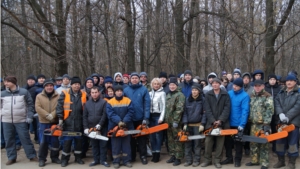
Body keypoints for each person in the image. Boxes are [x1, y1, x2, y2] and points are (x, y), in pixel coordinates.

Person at [1, 76, 38, 165]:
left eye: (7, 82)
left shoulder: (24, 92)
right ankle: (11, 157)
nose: (5, 83)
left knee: (25, 138)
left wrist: (29, 116)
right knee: (9, 140)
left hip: (21, 120)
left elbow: (30, 105)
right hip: (6, 121)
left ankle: (32, 155)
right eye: (5, 82)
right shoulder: (2, 94)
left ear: (13, 82)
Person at [56, 76, 87, 167]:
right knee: (67, 142)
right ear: (71, 85)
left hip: (79, 122)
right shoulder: (65, 93)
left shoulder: (83, 94)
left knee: (79, 142)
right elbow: (59, 107)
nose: (76, 86)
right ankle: (65, 159)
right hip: (67, 122)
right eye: (75, 84)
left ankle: (78, 158)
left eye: (78, 84)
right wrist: (61, 119)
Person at [201, 78, 231, 168]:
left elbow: (227, 109)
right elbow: (207, 109)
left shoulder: (225, 95)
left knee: (220, 143)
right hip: (211, 123)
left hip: (222, 123)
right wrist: (213, 121)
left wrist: (220, 120)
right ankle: (207, 160)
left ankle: (217, 160)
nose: (215, 85)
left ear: (220, 84)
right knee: (208, 142)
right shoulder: (208, 95)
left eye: (217, 83)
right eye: (213, 83)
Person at [221, 78, 250, 167]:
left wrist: (242, 124)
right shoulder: (229, 93)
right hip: (228, 123)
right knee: (228, 142)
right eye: (234, 85)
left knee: (238, 143)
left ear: (241, 87)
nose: (235, 87)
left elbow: (245, 110)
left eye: (237, 86)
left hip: (238, 123)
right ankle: (229, 158)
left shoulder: (245, 96)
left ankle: (238, 159)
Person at [273, 75, 300, 169]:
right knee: (280, 142)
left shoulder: (298, 93)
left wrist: (288, 117)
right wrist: (280, 113)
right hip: (281, 122)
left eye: (291, 81)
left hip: (294, 122)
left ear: (295, 82)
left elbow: (297, 107)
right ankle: (281, 161)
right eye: (288, 81)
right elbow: (276, 103)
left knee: (292, 143)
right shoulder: (281, 92)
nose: (289, 82)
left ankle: (292, 162)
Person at [245, 79, 274, 169]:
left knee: (263, 144)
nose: (257, 88)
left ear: (263, 86)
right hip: (253, 124)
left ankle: (264, 163)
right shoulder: (252, 96)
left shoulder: (267, 96)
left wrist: (266, 124)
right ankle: (254, 160)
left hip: (263, 124)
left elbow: (270, 111)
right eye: (256, 86)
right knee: (253, 143)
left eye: (259, 86)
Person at [124, 72, 150, 164]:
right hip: (130, 119)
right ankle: (132, 156)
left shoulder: (144, 89)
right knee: (131, 139)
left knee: (142, 138)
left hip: (140, 118)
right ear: (130, 79)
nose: (134, 79)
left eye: (136, 78)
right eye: (133, 78)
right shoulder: (126, 90)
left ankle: (143, 156)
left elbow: (147, 104)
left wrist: (146, 118)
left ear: (139, 79)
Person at [106, 85, 134, 169]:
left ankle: (126, 161)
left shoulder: (128, 100)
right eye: (117, 91)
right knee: (115, 145)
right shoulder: (110, 102)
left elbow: (131, 112)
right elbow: (110, 114)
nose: (119, 92)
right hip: (114, 126)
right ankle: (116, 161)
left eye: (120, 91)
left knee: (126, 144)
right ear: (114, 92)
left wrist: (124, 121)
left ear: (122, 92)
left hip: (126, 125)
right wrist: (119, 121)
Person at [35, 79, 61, 167]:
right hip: (43, 122)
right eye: (47, 86)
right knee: (43, 141)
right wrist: (47, 115)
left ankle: (55, 157)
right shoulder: (39, 96)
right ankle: (42, 159)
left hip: (54, 121)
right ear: (44, 87)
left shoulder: (58, 96)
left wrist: (53, 115)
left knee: (55, 141)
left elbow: (59, 106)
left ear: (53, 86)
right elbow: (38, 108)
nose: (49, 87)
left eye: (51, 85)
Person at [83, 86, 109, 167]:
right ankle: (96, 160)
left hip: (102, 127)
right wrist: (86, 128)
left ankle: (103, 160)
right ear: (90, 93)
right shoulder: (87, 103)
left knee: (103, 144)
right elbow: (85, 116)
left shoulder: (103, 102)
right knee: (94, 145)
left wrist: (100, 124)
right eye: (92, 93)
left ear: (99, 93)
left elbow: (105, 115)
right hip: (91, 128)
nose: (94, 94)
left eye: (96, 92)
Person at [182, 83, 205, 167]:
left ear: (199, 91)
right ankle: (188, 160)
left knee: (197, 144)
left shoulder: (202, 100)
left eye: (196, 90)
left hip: (198, 125)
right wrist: (185, 123)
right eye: (193, 90)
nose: (194, 91)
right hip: (188, 125)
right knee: (187, 143)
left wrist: (202, 123)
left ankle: (196, 160)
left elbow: (204, 113)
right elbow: (184, 112)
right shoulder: (188, 99)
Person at [165, 77, 185, 166]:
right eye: (170, 85)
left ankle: (178, 157)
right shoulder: (168, 95)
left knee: (177, 139)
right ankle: (172, 155)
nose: (172, 86)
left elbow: (179, 109)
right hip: (168, 122)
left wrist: (176, 120)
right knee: (170, 139)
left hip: (176, 122)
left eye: (173, 85)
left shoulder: (180, 95)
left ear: (176, 85)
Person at [149, 78, 166, 163]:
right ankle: (153, 152)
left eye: (157, 84)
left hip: (158, 116)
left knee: (158, 136)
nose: (156, 85)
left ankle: (157, 154)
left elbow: (164, 107)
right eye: (154, 84)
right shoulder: (149, 93)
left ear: (160, 85)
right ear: (152, 85)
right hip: (150, 116)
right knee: (152, 136)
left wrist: (161, 118)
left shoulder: (162, 93)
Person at [264, 74, 281, 153]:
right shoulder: (265, 88)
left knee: (275, 130)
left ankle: (275, 147)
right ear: (269, 80)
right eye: (271, 79)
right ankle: (266, 145)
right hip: (267, 112)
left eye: (274, 79)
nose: (272, 81)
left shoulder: (279, 88)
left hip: (276, 112)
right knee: (266, 129)